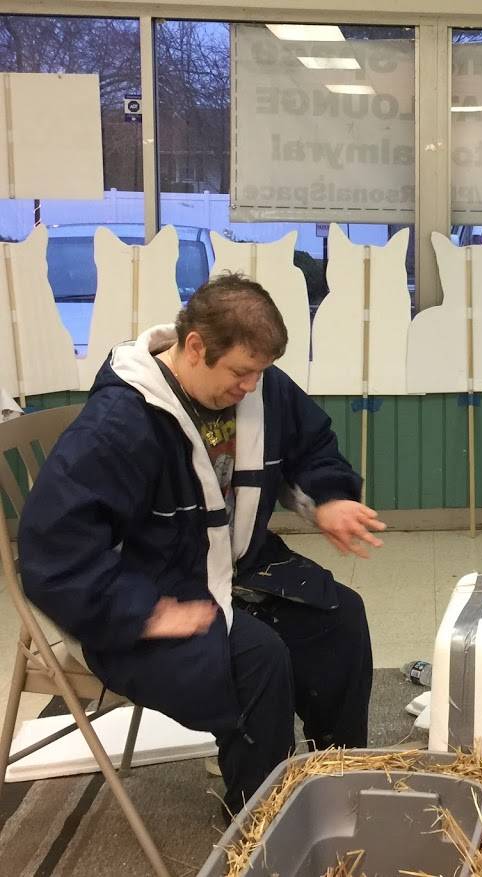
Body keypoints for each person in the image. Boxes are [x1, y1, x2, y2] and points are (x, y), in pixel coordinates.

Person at [18, 273, 387, 816]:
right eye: (240, 373)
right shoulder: (118, 424)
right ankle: (258, 817)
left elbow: (312, 446)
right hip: (146, 596)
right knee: (259, 660)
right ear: (195, 347)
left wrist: (328, 498)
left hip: (231, 565)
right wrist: (143, 612)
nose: (251, 386)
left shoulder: (261, 386)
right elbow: (51, 553)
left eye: (260, 373)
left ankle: (338, 778)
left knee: (340, 618)